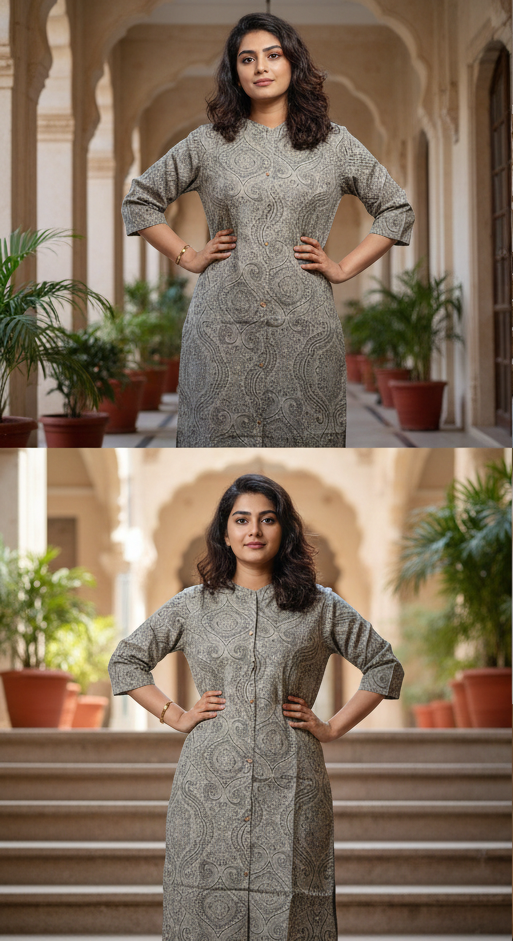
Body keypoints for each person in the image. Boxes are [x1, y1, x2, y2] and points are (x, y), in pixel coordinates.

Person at [108, 473, 404, 941]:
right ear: (224, 532)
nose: (254, 531)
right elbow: (126, 661)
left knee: (289, 909)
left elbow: (384, 666)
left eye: (267, 520)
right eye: (241, 519)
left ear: (284, 530)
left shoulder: (320, 607)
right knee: (204, 907)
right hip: (208, 786)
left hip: (290, 782)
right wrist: (177, 715)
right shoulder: (193, 606)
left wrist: (331, 728)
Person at [121, 13, 415, 448]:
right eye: (247, 58)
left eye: (273, 55)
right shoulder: (207, 144)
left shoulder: (336, 144)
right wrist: (190, 256)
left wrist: (343, 268)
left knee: (308, 443)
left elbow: (396, 208)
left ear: (293, 64)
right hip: (221, 327)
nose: (261, 67)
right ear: (234, 72)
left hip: (305, 328)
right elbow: (139, 199)